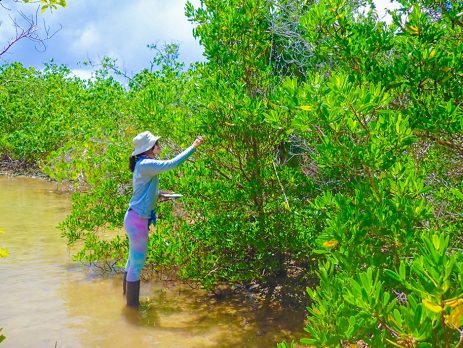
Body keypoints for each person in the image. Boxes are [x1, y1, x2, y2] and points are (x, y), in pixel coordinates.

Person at [123, 131, 204, 308]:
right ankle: (132, 311)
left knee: (132, 263)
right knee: (136, 266)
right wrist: (193, 147)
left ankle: (126, 301)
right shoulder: (146, 164)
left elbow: (142, 192)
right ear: (149, 148)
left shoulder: (143, 164)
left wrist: (159, 195)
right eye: (156, 144)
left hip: (134, 218)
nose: (159, 146)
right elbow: (172, 163)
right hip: (137, 221)